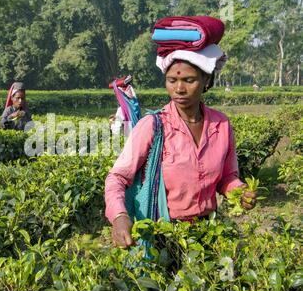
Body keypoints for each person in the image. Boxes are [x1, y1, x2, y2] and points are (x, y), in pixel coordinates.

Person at [105, 16, 257, 249]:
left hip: (208, 233)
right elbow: (117, 177)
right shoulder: (153, 125)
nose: (179, 89)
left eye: (189, 80)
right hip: (164, 235)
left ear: (206, 80)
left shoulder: (222, 125)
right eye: (172, 80)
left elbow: (226, 178)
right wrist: (119, 216)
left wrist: (239, 192)